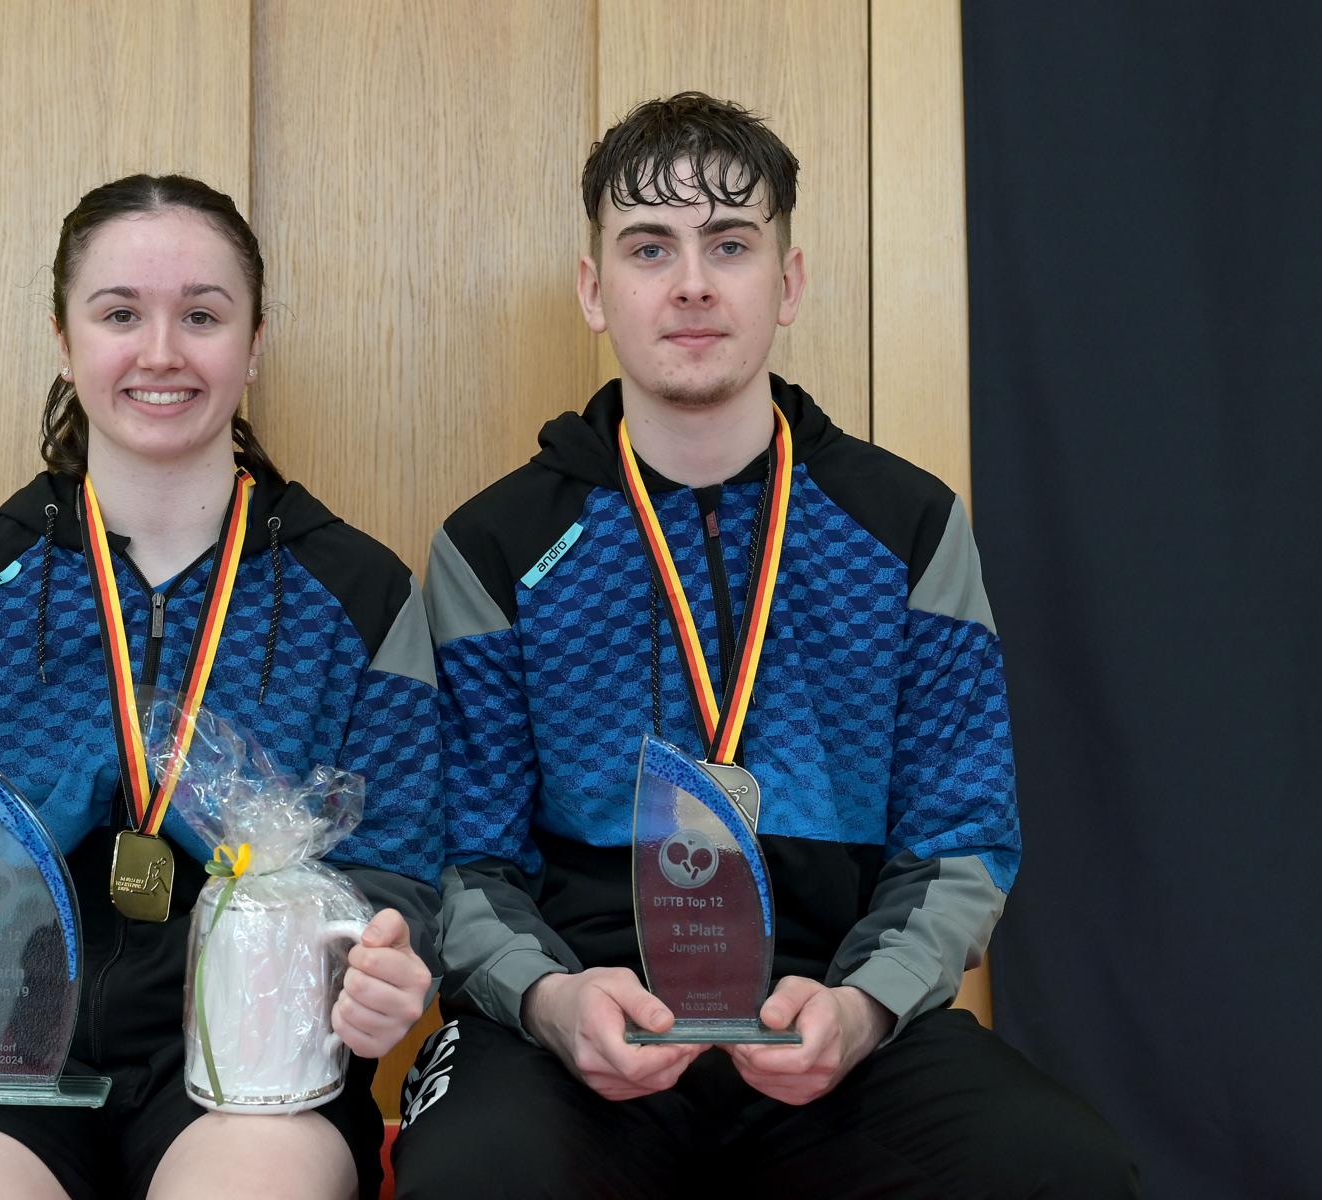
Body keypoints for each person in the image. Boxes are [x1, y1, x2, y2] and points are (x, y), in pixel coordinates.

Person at [394, 94, 1136, 1196]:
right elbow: (464, 857)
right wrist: (550, 1001)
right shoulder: (495, 544)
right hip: (584, 1024)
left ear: (787, 284)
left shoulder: (907, 526)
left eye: (730, 245)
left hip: (831, 1014)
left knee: (1058, 1171)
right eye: (650, 247)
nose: (692, 282)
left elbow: (962, 833)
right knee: (478, 1179)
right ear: (595, 290)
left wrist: (865, 1006)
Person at [0, 174, 441, 1200]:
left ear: (254, 342)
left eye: (202, 316)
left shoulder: (361, 596)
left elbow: (400, 868)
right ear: (64, 337)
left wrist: (385, 963)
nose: (161, 352)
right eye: (120, 314)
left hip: (253, 1069)